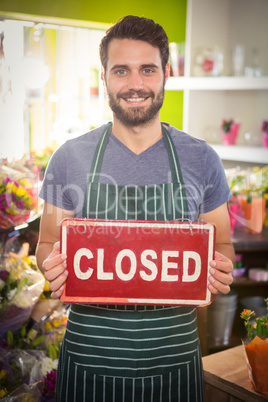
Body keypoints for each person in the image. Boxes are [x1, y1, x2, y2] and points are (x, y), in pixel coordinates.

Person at [36, 15, 234, 402]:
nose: (135, 84)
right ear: (104, 78)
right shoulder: (69, 158)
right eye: (121, 70)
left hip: (174, 363)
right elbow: (47, 243)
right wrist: (52, 264)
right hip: (89, 362)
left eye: (147, 69)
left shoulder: (201, 159)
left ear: (165, 74)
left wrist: (220, 269)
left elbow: (222, 245)